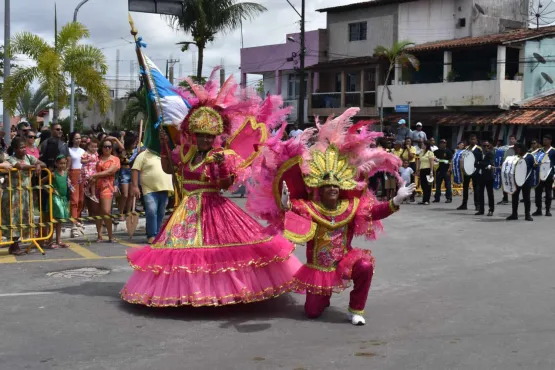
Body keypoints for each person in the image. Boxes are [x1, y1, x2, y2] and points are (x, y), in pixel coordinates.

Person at [121, 74, 302, 308]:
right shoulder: (184, 153)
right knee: (184, 254)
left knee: (217, 254)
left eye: (209, 136)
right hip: (186, 211)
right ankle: (188, 293)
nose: (205, 140)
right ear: (194, 135)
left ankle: (221, 292)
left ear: (215, 137)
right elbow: (169, 169)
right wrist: (164, 147)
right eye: (201, 136)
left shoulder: (222, 156)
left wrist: (221, 168)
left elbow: (226, 185)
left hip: (214, 208)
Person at [250, 109, 415, 326]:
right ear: (320, 189)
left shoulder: (350, 206)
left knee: (365, 265)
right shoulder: (309, 207)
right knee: (312, 312)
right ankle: (322, 297)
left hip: (344, 262)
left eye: (335, 187)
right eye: (327, 187)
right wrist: (284, 203)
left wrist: (396, 201)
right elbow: (290, 213)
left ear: (341, 188)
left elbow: (373, 212)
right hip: (318, 268)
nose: (332, 190)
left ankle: (356, 310)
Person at [1, 137, 46, 255]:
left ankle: (18, 244)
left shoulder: (28, 157)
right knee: (13, 219)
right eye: (21, 147)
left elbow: (43, 163)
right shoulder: (10, 159)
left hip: (25, 193)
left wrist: (38, 165)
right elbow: (19, 167)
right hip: (13, 194)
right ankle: (14, 246)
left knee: (24, 218)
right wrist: (34, 167)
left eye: (24, 147)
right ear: (15, 149)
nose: (24, 150)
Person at [130, 148, 173, 244]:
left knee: (161, 212)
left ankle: (157, 234)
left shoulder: (164, 153)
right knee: (151, 210)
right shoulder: (143, 154)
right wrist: (135, 186)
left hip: (164, 188)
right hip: (149, 189)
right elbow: (135, 169)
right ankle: (152, 235)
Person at [89, 138, 120, 242]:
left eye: (109, 146)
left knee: (106, 211)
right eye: (105, 146)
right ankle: (99, 235)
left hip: (107, 186)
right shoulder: (97, 158)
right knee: (97, 212)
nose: (107, 148)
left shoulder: (115, 159)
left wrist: (96, 175)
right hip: (95, 186)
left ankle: (110, 235)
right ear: (101, 148)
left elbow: (110, 172)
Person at [43, 155, 71, 249]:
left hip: (63, 199)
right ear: (56, 163)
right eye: (61, 163)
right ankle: (50, 241)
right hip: (55, 199)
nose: (62, 165)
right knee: (53, 220)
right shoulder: (53, 174)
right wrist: (50, 190)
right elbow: (42, 182)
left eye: (64, 163)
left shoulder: (66, 173)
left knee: (60, 220)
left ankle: (58, 240)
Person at [507, 143, 535, 221]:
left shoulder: (529, 156)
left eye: (517, 148)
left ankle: (527, 215)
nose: (516, 150)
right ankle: (514, 214)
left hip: (526, 181)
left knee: (526, 198)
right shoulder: (515, 157)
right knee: (515, 197)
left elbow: (534, 167)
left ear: (522, 148)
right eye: (515, 149)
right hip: (516, 180)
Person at [457, 134, 482, 211]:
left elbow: (481, 160)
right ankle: (464, 204)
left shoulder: (479, 149)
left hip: (475, 170)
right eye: (471, 139)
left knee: (476, 188)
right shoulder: (466, 148)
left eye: (474, 139)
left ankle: (477, 205)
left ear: (476, 140)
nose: (472, 141)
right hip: (466, 171)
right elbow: (463, 158)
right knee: (465, 188)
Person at [117, 132, 138, 221]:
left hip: (132, 172)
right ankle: (121, 213)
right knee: (125, 195)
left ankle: (128, 212)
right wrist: (121, 136)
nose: (135, 145)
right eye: (133, 143)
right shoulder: (123, 150)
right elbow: (125, 159)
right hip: (124, 172)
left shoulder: (136, 150)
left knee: (131, 194)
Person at [533, 134, 555, 217]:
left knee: (548, 193)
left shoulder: (553, 151)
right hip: (539, 174)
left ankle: (547, 210)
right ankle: (538, 209)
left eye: (546, 140)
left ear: (550, 141)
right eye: (543, 140)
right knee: (538, 192)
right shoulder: (540, 150)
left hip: (549, 174)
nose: (544, 141)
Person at [67, 132, 86, 228]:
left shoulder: (83, 150)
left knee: (81, 199)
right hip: (73, 174)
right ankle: (74, 220)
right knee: (75, 198)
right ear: (72, 139)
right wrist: (68, 178)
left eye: (79, 138)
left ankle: (78, 217)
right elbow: (68, 165)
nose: (78, 140)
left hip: (82, 174)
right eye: (76, 138)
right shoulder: (69, 150)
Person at [476, 140, 495, 216]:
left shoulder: (490, 153)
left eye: (488, 146)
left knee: (490, 194)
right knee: (480, 194)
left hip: (489, 177)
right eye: (484, 146)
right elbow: (475, 164)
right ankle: (481, 209)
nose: (486, 147)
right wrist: (481, 164)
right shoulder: (479, 154)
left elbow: (488, 163)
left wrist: (480, 164)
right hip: (480, 176)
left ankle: (491, 210)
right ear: (481, 147)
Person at [499, 134, 518, 205]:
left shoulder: (518, 148)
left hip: (514, 168)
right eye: (510, 139)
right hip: (506, 167)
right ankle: (505, 198)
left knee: (514, 183)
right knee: (505, 182)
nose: (511, 140)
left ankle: (515, 198)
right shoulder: (506, 148)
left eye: (513, 139)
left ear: (516, 140)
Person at [433, 139, 453, 203]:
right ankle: (437, 198)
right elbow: (433, 159)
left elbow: (451, 161)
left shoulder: (448, 151)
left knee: (448, 185)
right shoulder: (436, 151)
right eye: (441, 143)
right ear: (439, 144)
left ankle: (449, 198)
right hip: (439, 170)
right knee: (438, 184)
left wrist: (449, 169)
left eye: (444, 143)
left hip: (446, 170)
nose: (443, 144)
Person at [81, 139, 99, 203]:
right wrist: (87, 160)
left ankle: (93, 194)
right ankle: (87, 188)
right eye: (93, 147)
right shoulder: (86, 153)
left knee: (94, 181)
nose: (94, 148)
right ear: (88, 147)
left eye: (95, 147)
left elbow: (97, 160)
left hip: (93, 169)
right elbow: (81, 161)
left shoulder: (96, 153)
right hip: (88, 169)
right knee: (92, 180)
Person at [417, 140, 434, 205]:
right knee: (423, 185)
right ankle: (424, 200)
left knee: (428, 186)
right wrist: (418, 170)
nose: (421, 145)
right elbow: (419, 161)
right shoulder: (421, 153)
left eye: (422, 144)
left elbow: (431, 162)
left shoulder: (430, 153)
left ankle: (427, 200)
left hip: (428, 170)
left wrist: (431, 171)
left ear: (426, 145)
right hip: (422, 170)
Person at [399, 137, 417, 202]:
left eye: (409, 141)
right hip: (405, 165)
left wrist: (408, 149)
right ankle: (404, 196)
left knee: (412, 181)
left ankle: (412, 196)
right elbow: (401, 157)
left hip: (411, 164)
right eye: (406, 141)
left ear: (411, 142)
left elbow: (411, 157)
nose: (408, 143)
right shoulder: (403, 149)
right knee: (404, 182)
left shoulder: (413, 148)